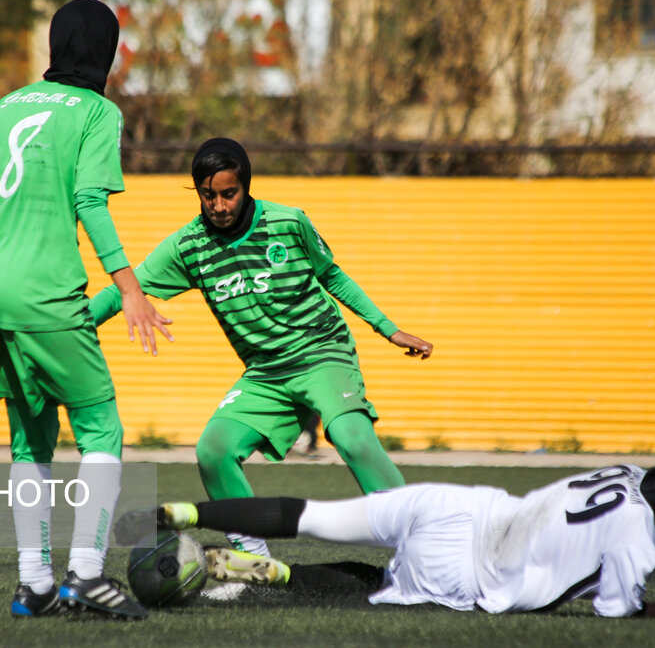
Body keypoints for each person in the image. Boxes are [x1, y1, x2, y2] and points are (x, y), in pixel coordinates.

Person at [90, 137, 433, 557]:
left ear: (246, 187)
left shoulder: (288, 223)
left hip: (322, 352)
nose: (218, 205)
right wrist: (70, 328)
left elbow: (333, 276)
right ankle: (253, 559)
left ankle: (425, 543)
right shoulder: (188, 246)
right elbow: (126, 289)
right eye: (208, 195)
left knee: (351, 436)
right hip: (266, 373)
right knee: (213, 450)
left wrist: (388, 329)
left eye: (228, 193)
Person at [0, 0, 172, 620]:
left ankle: (35, 586)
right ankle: (85, 577)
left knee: (32, 437)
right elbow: (90, 200)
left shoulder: (10, 103)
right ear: (104, 51)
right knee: (101, 426)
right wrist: (129, 287)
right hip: (45, 292)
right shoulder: (99, 112)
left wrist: (6, 247)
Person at [116, 444, 655, 621]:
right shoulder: (637, 538)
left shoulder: (630, 475)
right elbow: (616, 606)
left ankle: (182, 512)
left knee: (314, 511)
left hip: (463, 504)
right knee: (371, 588)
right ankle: (276, 573)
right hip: (475, 569)